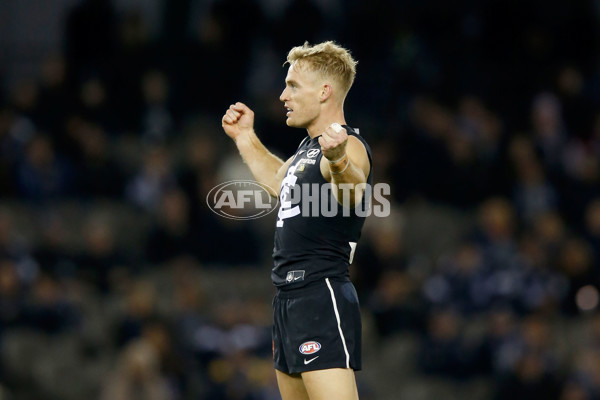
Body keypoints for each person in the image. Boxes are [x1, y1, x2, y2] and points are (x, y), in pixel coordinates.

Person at [222, 41, 372, 400]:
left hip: (321, 293)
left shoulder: (346, 145)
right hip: (289, 299)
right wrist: (245, 137)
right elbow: (278, 180)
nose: (282, 96)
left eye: (292, 86)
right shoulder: (307, 150)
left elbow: (353, 191)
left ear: (324, 91)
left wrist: (337, 161)